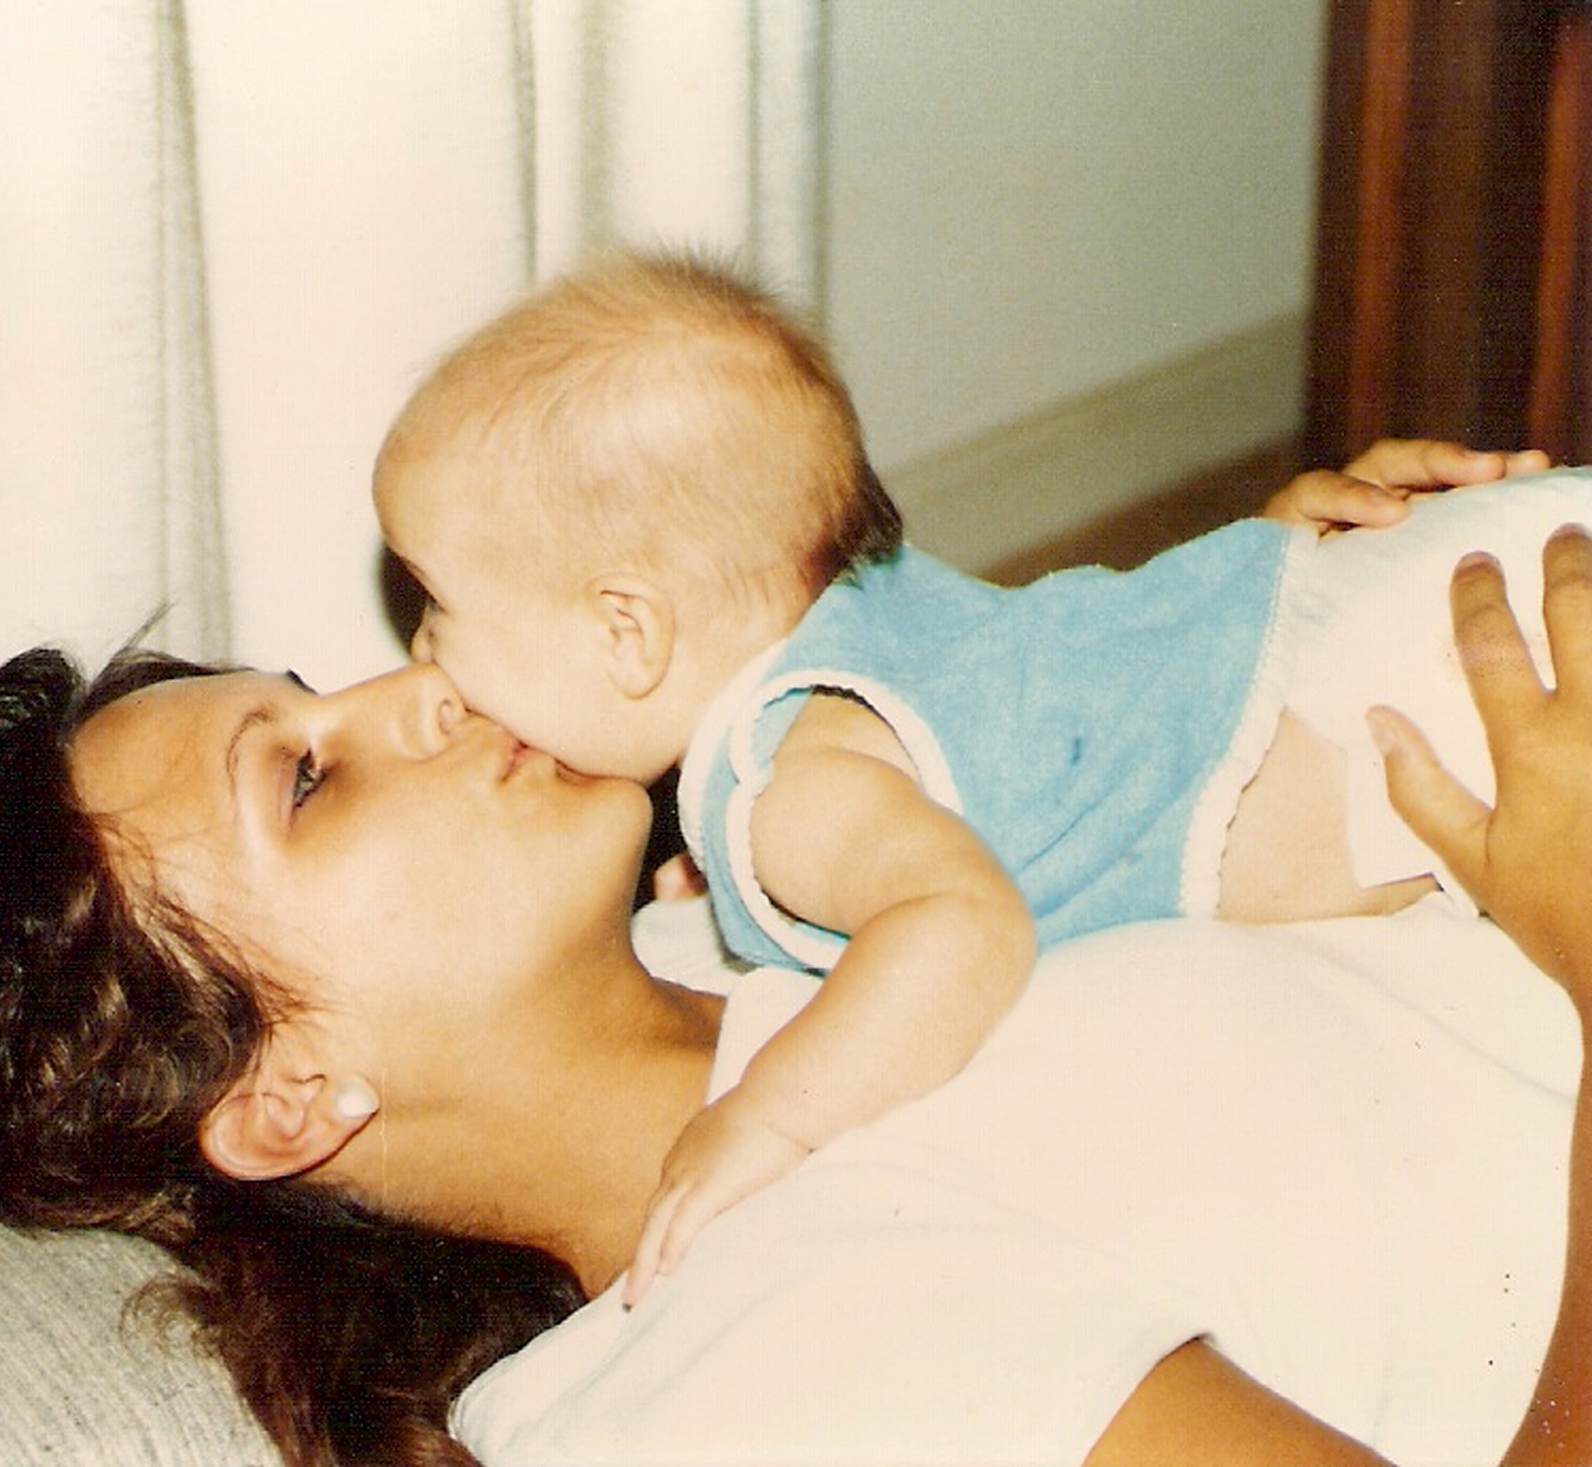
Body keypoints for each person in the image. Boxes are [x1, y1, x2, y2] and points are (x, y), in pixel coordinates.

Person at [0, 524, 1592, 1467]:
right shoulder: (760, 1363)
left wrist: (1253, 625)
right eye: (308, 778)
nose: (408, 683)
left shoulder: (724, 930)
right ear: (289, 1093)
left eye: (312, 696)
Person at [370, 251, 1577, 1297]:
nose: (422, 653)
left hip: (1417, 704)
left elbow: (959, 924)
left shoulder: (788, 793)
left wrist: (769, 1114)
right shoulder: (858, 618)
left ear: (626, 633)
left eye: (437, 604)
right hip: (1399, 607)